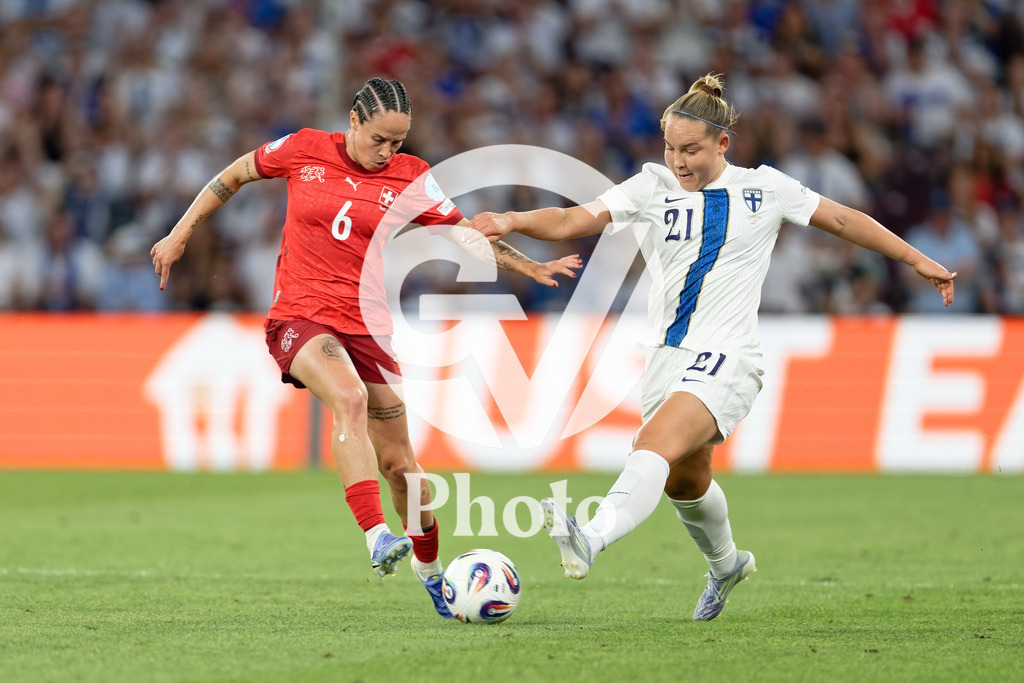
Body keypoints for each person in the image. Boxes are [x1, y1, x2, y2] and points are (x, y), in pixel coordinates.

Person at [468, 73, 956, 621]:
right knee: (686, 482)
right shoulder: (650, 185)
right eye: (671, 148)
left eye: (691, 150)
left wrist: (916, 259)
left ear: (723, 143)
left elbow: (842, 218)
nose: (678, 161)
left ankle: (591, 537)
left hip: (730, 356)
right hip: (667, 358)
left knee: (651, 445)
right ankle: (727, 565)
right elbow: (573, 218)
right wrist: (510, 219)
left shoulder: (765, 188)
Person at [151, 76, 581, 619]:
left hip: (368, 328)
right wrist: (180, 232)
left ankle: (431, 574)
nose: (388, 151)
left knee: (402, 464)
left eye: (398, 141)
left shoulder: (411, 177)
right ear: (353, 121)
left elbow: (467, 235)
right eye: (380, 139)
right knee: (348, 398)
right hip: (300, 317)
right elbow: (233, 174)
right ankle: (376, 534)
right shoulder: (303, 148)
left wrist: (530, 265)